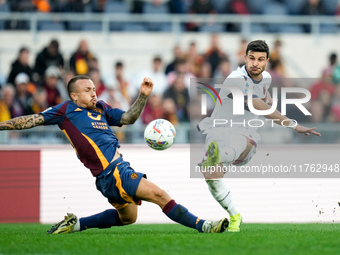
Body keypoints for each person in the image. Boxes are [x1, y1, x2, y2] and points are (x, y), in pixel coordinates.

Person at [0, 75, 228, 234]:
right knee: (160, 195)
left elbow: (128, 118)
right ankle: (204, 225)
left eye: (94, 88)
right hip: (113, 172)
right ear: (74, 96)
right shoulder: (64, 111)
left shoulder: (101, 108)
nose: (93, 92)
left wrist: (143, 96)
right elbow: (30, 120)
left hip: (111, 175)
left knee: (128, 218)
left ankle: (76, 224)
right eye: (87, 90)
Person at [197, 40, 321, 232]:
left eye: (260, 59)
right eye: (252, 58)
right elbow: (259, 106)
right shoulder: (236, 79)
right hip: (219, 129)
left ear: (267, 61)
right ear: (245, 58)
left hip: (245, 132)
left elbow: (266, 102)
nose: (256, 63)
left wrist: (286, 119)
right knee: (211, 176)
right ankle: (235, 216)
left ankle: (218, 156)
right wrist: (293, 125)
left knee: (238, 140)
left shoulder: (266, 79)